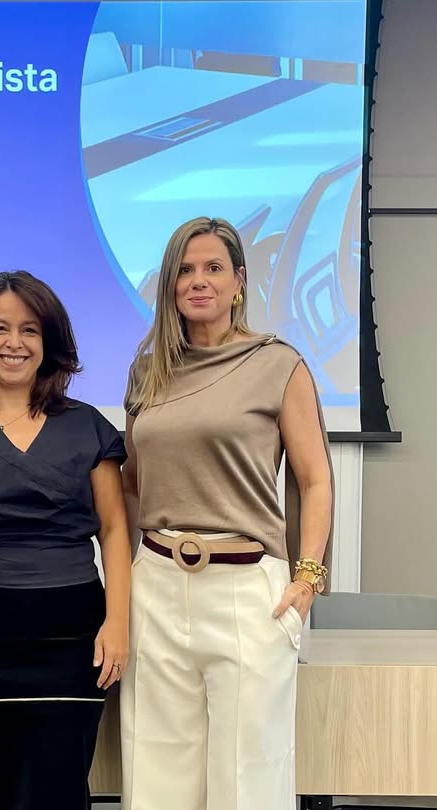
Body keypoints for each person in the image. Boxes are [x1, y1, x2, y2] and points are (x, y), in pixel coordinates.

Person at [120, 217, 334, 810]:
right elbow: (132, 482)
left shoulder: (279, 364)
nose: (199, 281)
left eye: (213, 268)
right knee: (156, 771)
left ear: (239, 281)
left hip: (246, 588)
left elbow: (314, 479)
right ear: (169, 285)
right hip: (158, 585)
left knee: (249, 779)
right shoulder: (148, 372)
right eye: (185, 270)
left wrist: (308, 577)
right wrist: (130, 573)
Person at [0, 271, 131, 810]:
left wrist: (118, 622)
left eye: (30, 329)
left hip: (71, 640)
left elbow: (115, 530)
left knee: (57, 792)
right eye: (0, 328)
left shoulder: (88, 427)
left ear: (49, 341)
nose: (15, 343)